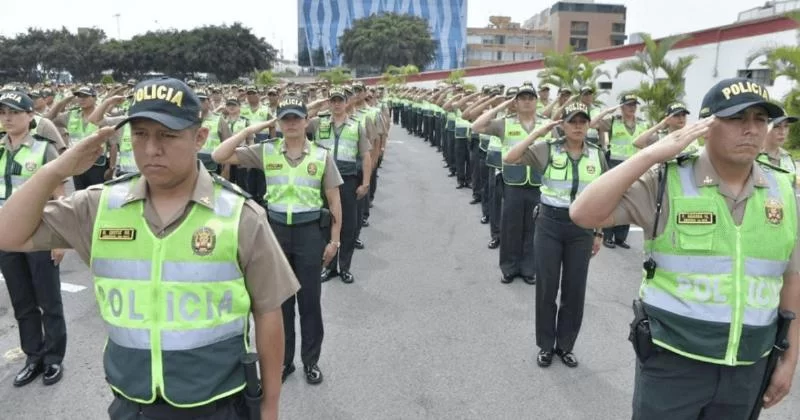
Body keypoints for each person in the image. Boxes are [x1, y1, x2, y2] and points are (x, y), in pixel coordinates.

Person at [0, 77, 298, 420]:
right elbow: (8, 235)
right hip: (132, 401)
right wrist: (58, 169)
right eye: (140, 134)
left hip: (217, 403)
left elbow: (268, 314)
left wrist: (270, 406)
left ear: (199, 138)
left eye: (167, 135)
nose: (151, 149)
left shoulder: (238, 215)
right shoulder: (100, 207)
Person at [570, 77, 800, 419]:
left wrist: (790, 357)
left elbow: (791, 276)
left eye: (760, 119)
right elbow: (583, 212)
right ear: (706, 126)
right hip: (673, 362)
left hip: (749, 365)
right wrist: (652, 154)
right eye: (738, 118)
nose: (751, 129)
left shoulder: (782, 188)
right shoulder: (669, 180)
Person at [212, 95, 343, 385]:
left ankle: (310, 361)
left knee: (310, 302)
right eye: (286, 118)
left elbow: (334, 202)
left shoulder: (321, 155)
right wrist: (249, 131)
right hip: (276, 232)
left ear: (306, 121)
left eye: (297, 117)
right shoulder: (265, 150)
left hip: (310, 233)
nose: (292, 123)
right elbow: (219, 156)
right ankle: (285, 363)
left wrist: (334, 242)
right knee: (279, 304)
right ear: (278, 123)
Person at [504, 102, 605, 368]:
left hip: (582, 228)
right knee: (547, 287)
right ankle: (546, 345)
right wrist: (538, 132)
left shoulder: (597, 155)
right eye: (572, 121)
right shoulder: (547, 150)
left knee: (575, 289)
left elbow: (606, 197)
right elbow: (510, 157)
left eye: (583, 121)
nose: (578, 126)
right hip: (550, 223)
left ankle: (565, 345)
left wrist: (599, 233)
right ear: (561, 124)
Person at [0, 91, 67, 387]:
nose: (7, 117)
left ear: (30, 116)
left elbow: (61, 195)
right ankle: (33, 356)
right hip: (7, 238)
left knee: (48, 301)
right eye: (3, 112)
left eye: (14, 112)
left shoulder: (43, 149)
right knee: (22, 302)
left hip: (40, 235)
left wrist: (60, 239)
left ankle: (53, 359)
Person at [758, 111, 798, 186]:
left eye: (786, 126)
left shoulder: (787, 158)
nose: (782, 132)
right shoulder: (752, 158)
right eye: (776, 126)